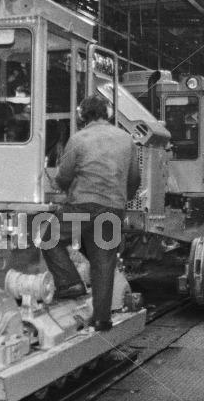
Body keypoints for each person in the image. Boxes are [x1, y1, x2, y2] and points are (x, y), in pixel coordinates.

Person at [41, 95, 141, 332]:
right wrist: (119, 200)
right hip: (113, 209)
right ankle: (102, 320)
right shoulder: (127, 140)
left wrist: (65, 189)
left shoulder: (78, 138)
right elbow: (134, 179)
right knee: (103, 262)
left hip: (83, 205)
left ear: (82, 116)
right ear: (107, 115)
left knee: (48, 238)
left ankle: (70, 282)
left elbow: (64, 177)